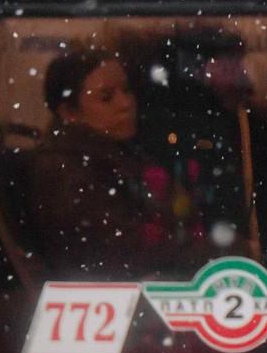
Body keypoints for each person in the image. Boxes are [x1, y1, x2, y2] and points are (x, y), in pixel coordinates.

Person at [26, 49, 180, 279]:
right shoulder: (68, 169)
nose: (126, 103)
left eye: (127, 90)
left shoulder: (116, 155)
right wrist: (208, 251)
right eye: (106, 97)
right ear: (69, 113)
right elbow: (122, 253)